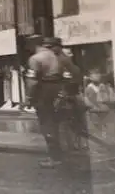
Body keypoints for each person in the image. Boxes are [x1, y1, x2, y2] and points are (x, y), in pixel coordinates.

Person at [25, 36, 66, 168]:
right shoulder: (55, 56)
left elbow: (32, 82)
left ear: (32, 45)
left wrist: (29, 98)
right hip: (57, 89)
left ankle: (55, 157)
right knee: (55, 123)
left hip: (44, 92)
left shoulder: (35, 59)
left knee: (47, 124)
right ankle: (58, 155)